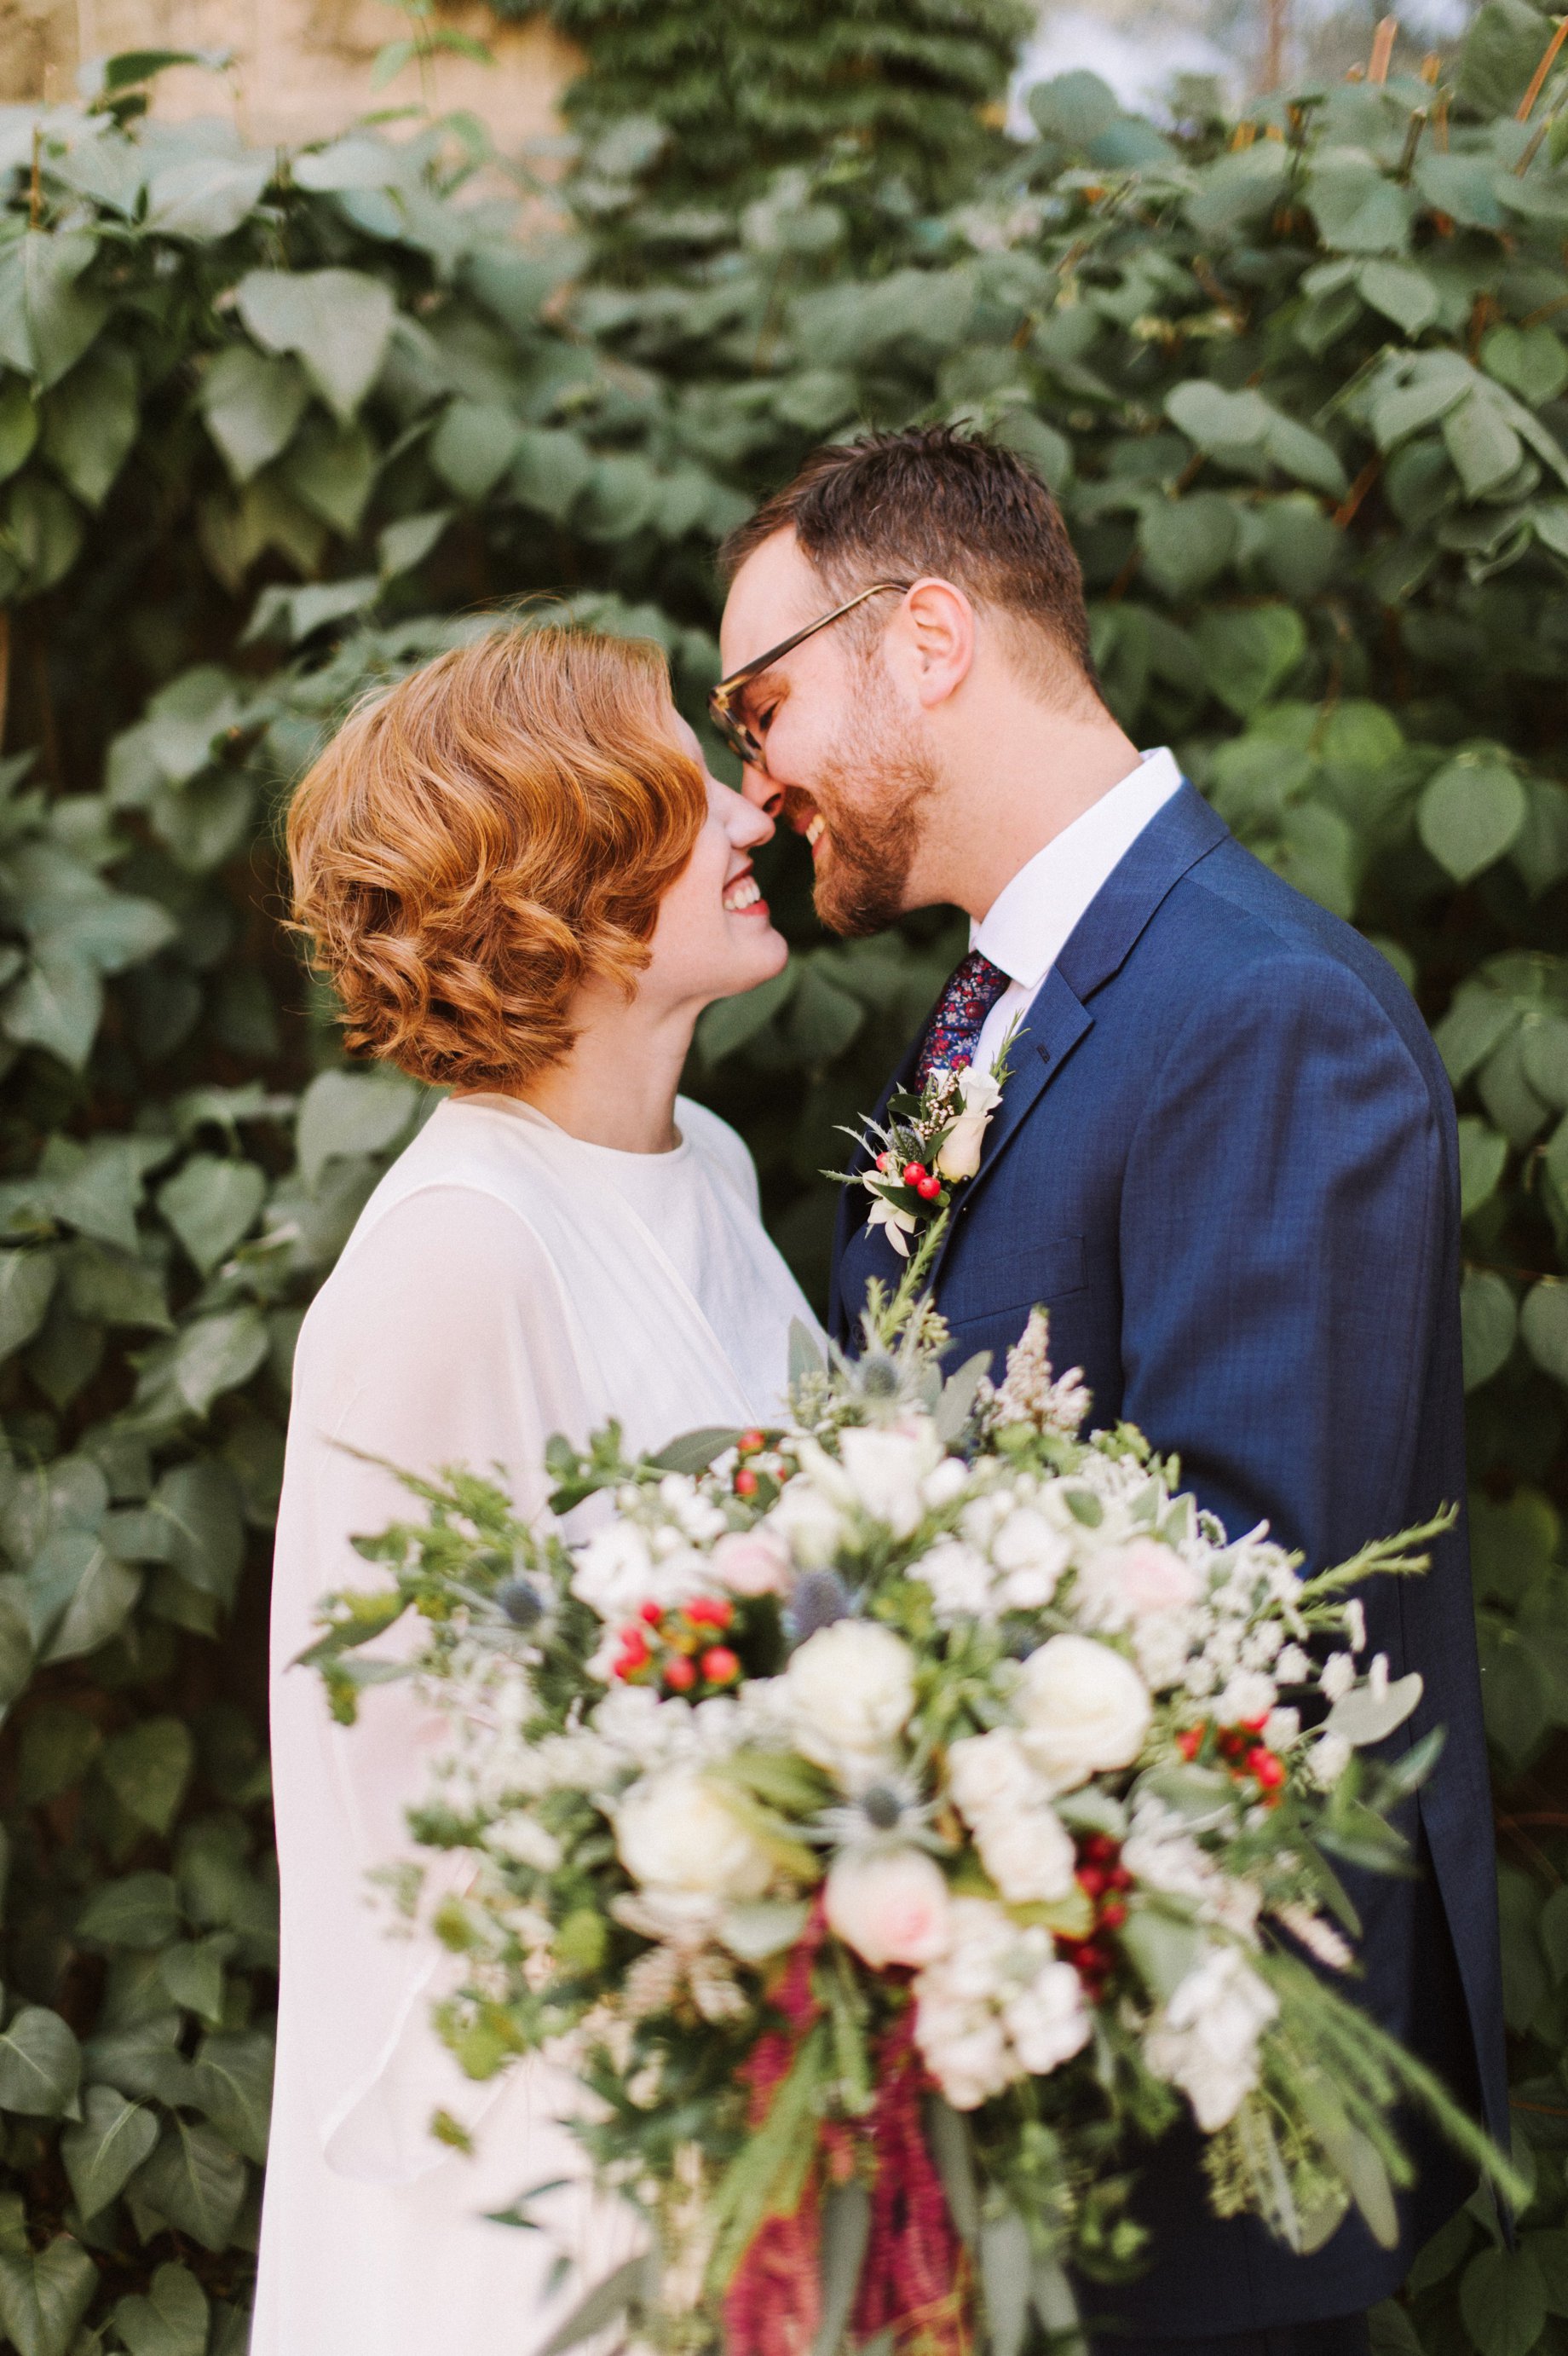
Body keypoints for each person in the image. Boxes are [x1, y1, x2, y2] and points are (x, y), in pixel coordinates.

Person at [715, 426, 1507, 2356]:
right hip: (1016, 2103)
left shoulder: (1257, 1010)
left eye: (760, 700)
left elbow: (1257, 1591)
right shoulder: (1014, 996)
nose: (754, 777)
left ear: (923, 636)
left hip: (1190, 2124)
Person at [255, 627, 817, 2355]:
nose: (751, 812)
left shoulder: (703, 1167)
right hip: (537, 2192)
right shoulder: (453, 1260)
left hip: (756, 2106)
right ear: (562, 873)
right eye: (682, 788)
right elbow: (420, 1839)